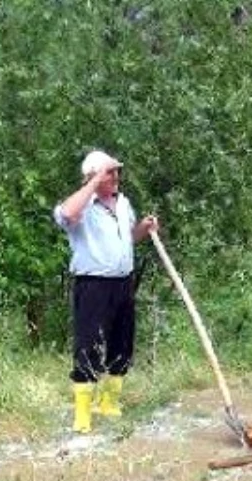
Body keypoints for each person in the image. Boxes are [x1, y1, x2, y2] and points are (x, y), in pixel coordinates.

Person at [53, 150, 159, 433]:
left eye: (116, 172)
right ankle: (83, 415)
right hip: (93, 286)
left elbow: (128, 240)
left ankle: (109, 403)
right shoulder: (81, 207)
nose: (116, 177)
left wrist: (143, 230)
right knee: (88, 346)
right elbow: (66, 214)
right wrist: (93, 182)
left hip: (123, 282)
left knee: (122, 344)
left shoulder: (123, 203)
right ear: (93, 176)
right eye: (109, 172)